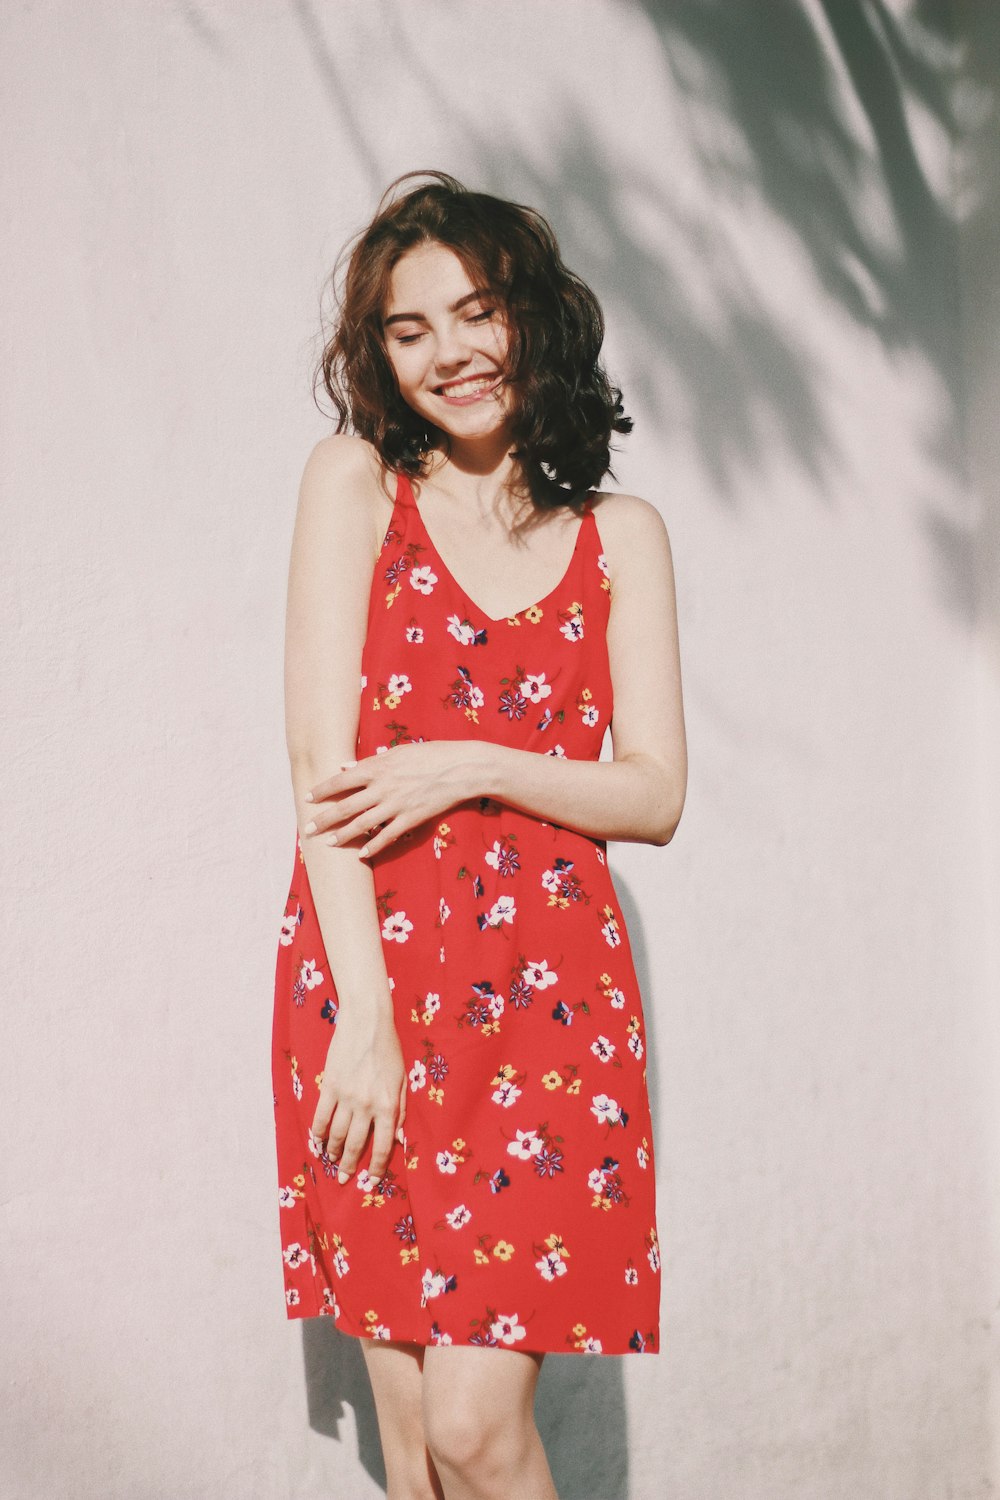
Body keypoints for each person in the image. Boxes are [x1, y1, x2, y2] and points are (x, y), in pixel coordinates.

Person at [272, 169, 687, 1500]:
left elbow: (655, 793)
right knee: (413, 1448)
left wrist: (468, 761)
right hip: (370, 987)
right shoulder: (356, 487)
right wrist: (368, 1023)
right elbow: (320, 775)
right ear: (380, 356)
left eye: (477, 310)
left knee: (476, 1431)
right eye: (409, 329)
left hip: (552, 1011)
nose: (449, 349)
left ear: (534, 320)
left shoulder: (622, 536)